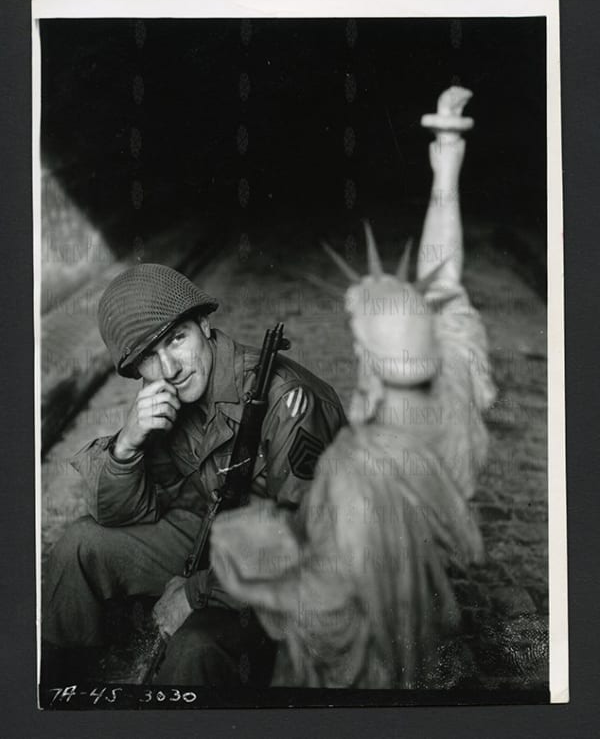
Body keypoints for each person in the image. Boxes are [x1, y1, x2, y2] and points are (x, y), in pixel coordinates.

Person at [210, 87, 497, 688]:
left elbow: (329, 601)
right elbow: (443, 278)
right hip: (423, 614)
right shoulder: (456, 380)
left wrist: (250, 562)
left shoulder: (353, 467)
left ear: (365, 358)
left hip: (370, 663)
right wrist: (448, 155)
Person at [41, 263, 347, 686]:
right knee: (79, 545)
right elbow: (125, 514)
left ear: (204, 324)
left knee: (193, 650)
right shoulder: (174, 396)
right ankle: (57, 697)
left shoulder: (288, 402)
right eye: (148, 357)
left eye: (175, 339)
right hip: (217, 535)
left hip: (293, 577)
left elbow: (307, 543)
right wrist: (127, 446)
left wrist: (193, 592)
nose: (168, 368)